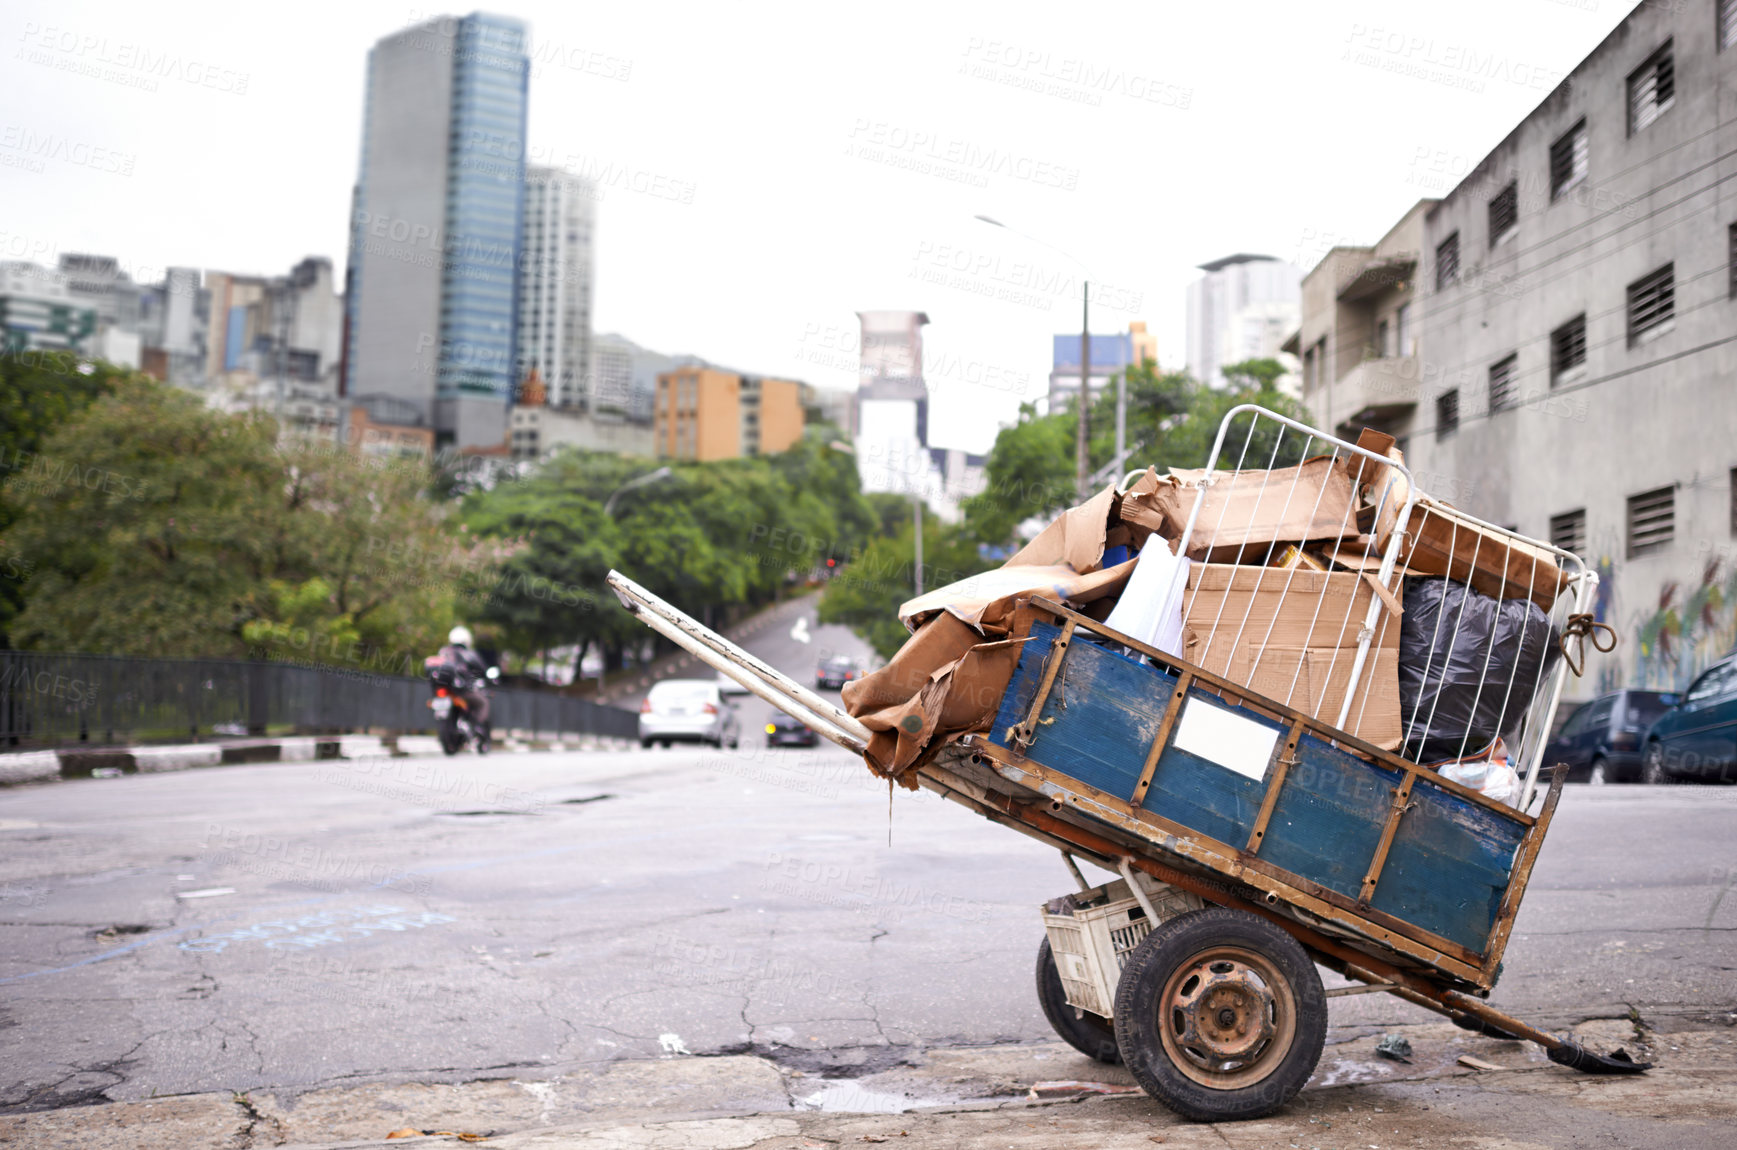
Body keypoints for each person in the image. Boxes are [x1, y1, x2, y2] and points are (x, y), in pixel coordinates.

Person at [441, 625, 494, 752]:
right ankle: (476, 726)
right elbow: (482, 671)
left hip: (446, 691)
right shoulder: (470, 654)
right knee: (483, 703)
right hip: (464, 691)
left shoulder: (443, 652)